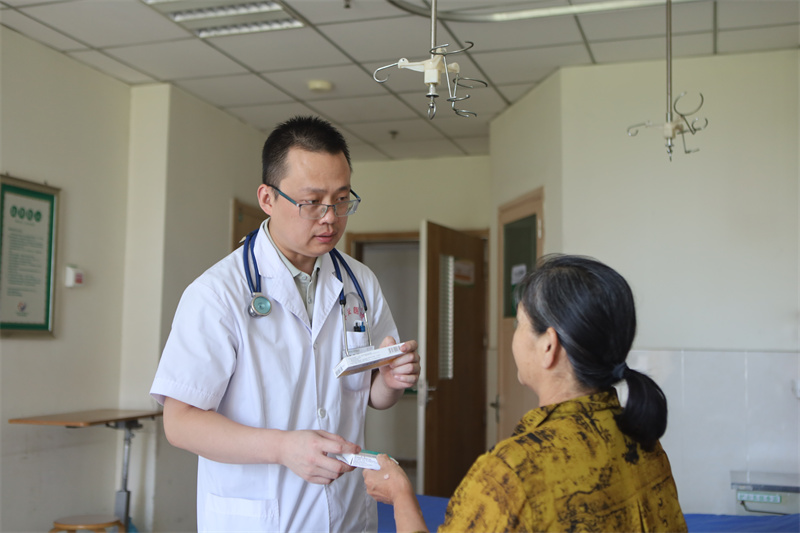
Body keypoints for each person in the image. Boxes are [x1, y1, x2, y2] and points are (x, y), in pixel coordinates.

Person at [150, 115, 420, 532]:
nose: (330, 217)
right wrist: (282, 448)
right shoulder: (217, 293)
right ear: (267, 198)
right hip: (260, 519)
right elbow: (180, 422)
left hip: (346, 514)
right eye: (311, 202)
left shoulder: (359, 282)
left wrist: (391, 381)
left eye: (342, 200)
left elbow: (372, 395)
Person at [364, 254, 687, 532]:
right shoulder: (644, 442)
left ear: (548, 346)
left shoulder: (512, 473)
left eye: (520, 323)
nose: (515, 336)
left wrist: (400, 495)